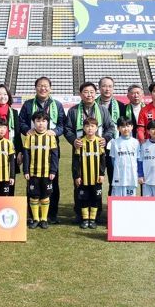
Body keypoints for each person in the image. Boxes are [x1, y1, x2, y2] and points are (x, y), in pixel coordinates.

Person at [65, 82, 115, 222]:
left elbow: (111, 127)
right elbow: (67, 129)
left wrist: (105, 138)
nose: (89, 95)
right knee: (79, 181)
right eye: (86, 92)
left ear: (95, 93)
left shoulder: (102, 110)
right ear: (80, 94)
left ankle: (96, 215)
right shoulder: (74, 111)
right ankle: (79, 214)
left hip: (97, 152)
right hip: (80, 152)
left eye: (92, 92)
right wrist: (73, 140)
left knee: (97, 182)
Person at [18, 77, 65, 224]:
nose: (43, 88)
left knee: (52, 182)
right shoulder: (28, 104)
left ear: (50, 88)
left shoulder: (57, 105)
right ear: (35, 88)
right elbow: (21, 122)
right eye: (40, 86)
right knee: (32, 184)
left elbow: (63, 125)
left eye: (45, 86)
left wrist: (55, 132)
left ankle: (51, 215)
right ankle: (33, 215)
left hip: (50, 149)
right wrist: (27, 130)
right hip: (32, 150)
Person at [23, 111, 59, 229]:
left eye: (44, 121)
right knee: (34, 196)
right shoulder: (29, 136)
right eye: (38, 121)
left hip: (47, 173)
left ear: (47, 123)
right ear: (33, 122)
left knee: (45, 196)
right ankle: (35, 219)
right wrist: (26, 171)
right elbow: (26, 154)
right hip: (33, 173)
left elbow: (54, 155)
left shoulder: (51, 137)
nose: (41, 124)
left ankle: (44, 219)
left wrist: (53, 171)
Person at [73, 118, 106, 229]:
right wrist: (77, 176)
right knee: (84, 198)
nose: (90, 128)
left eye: (92, 126)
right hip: (84, 178)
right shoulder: (80, 142)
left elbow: (102, 160)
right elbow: (76, 161)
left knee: (95, 198)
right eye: (87, 126)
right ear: (83, 128)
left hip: (96, 177)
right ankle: (85, 219)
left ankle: (92, 219)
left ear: (96, 128)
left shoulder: (99, 142)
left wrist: (102, 174)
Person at [96, 76, 125, 195]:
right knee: (96, 176)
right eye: (104, 86)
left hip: (115, 146)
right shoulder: (92, 105)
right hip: (96, 146)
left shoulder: (121, 106)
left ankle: (112, 201)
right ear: (99, 88)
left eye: (110, 86)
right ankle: (95, 204)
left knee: (115, 176)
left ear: (113, 88)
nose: (107, 89)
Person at [109, 117, 140, 197]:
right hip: (118, 176)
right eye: (123, 126)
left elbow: (138, 159)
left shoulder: (136, 142)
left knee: (130, 200)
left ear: (132, 127)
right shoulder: (115, 142)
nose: (126, 129)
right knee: (117, 199)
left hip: (131, 176)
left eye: (128, 126)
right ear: (118, 128)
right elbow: (113, 160)